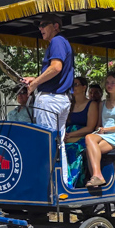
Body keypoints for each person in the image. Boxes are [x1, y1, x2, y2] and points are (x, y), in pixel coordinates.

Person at [22, 13, 74, 183]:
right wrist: (35, 79)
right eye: (39, 25)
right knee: (58, 144)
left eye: (44, 24)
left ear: (56, 26)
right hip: (61, 99)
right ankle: (62, 182)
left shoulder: (57, 41)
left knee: (47, 143)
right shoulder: (62, 42)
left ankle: (48, 185)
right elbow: (54, 71)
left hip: (51, 100)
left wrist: (35, 83)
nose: (40, 28)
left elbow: (56, 67)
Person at [84, 72, 115, 188]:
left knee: (90, 144)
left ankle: (97, 176)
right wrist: (100, 129)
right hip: (106, 134)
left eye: (113, 83)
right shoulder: (103, 103)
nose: (109, 85)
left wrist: (107, 129)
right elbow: (99, 125)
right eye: (107, 83)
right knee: (89, 143)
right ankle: (96, 178)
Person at [64, 76, 99, 188]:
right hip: (66, 136)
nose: (73, 87)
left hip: (83, 136)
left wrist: (70, 135)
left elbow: (90, 127)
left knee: (72, 149)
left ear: (84, 87)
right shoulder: (68, 105)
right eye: (71, 85)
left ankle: (71, 183)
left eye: (76, 84)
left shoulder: (91, 104)